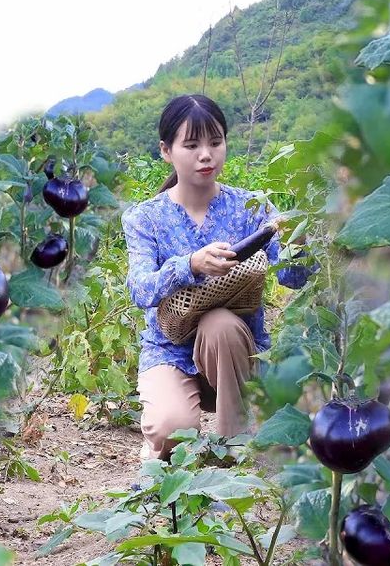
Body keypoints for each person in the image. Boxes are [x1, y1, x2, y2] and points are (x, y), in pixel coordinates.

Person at [121, 94, 308, 462]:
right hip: (169, 351)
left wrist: (298, 244)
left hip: (234, 355)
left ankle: (233, 450)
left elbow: (292, 278)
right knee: (170, 428)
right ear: (166, 151)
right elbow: (140, 289)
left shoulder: (252, 207)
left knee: (220, 323)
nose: (206, 154)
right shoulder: (145, 218)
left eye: (215, 142)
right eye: (191, 145)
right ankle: (159, 448)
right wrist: (189, 264)